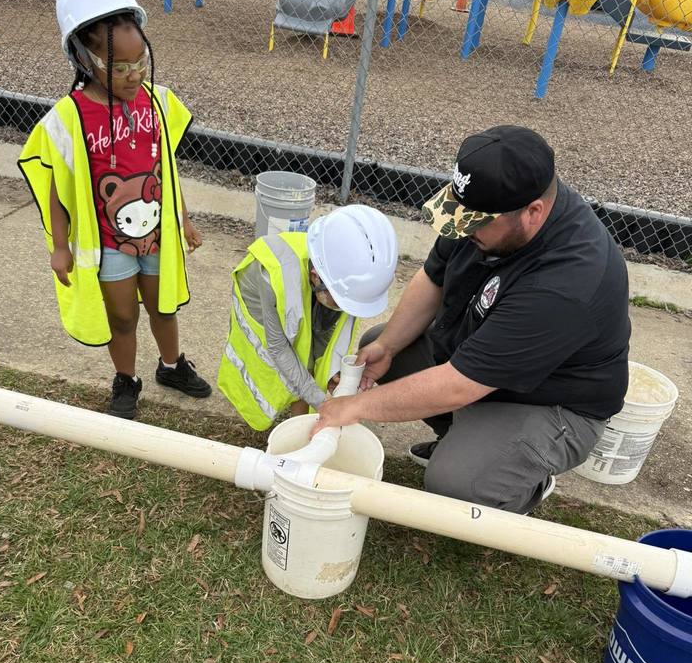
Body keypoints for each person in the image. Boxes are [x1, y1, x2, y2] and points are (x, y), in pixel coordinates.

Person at [311, 126, 631, 514]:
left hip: (553, 403)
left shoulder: (565, 283)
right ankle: (468, 442)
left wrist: (355, 408)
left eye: (476, 224)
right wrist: (388, 345)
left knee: (454, 483)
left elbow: (459, 385)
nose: (463, 229)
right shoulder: (486, 206)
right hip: (486, 362)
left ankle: (515, 481)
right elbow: (434, 275)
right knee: (380, 346)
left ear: (533, 213)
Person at [18, 0, 211, 420]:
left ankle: (171, 365)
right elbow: (58, 189)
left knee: (163, 305)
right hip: (109, 245)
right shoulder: (69, 118)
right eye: (120, 67)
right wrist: (60, 247)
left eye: (140, 62)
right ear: (84, 60)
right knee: (122, 316)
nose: (133, 75)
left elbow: (168, 170)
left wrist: (182, 218)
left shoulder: (157, 101)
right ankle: (126, 379)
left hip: (157, 236)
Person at [217, 204, 398, 430]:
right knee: (278, 366)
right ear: (315, 277)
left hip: (303, 300)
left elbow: (321, 336)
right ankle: (295, 431)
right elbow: (278, 347)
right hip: (262, 311)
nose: (343, 311)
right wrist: (322, 402)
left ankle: (301, 431)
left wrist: (329, 372)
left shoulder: (343, 278)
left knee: (305, 364)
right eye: (340, 304)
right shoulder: (272, 275)